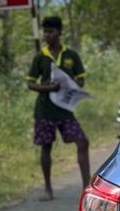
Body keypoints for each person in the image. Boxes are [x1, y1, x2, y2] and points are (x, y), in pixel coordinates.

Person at [26, 15, 90, 200]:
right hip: (45, 110)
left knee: (82, 142)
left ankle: (86, 188)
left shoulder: (71, 56)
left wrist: (72, 84)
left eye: (51, 31)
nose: (47, 35)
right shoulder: (40, 57)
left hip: (65, 111)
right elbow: (31, 83)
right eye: (45, 31)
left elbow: (81, 79)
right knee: (46, 147)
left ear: (60, 32)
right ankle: (48, 189)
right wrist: (48, 88)